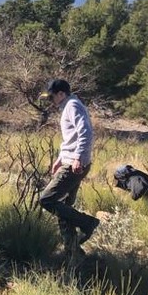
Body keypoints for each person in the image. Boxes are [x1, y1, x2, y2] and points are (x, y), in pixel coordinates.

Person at [38, 78, 100, 251]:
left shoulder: (72, 106)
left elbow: (85, 132)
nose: (50, 101)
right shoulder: (68, 105)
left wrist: (78, 157)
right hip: (71, 161)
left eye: (51, 97)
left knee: (47, 200)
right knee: (64, 207)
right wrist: (61, 158)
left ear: (61, 94)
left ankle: (88, 223)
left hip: (74, 164)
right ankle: (72, 251)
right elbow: (71, 138)